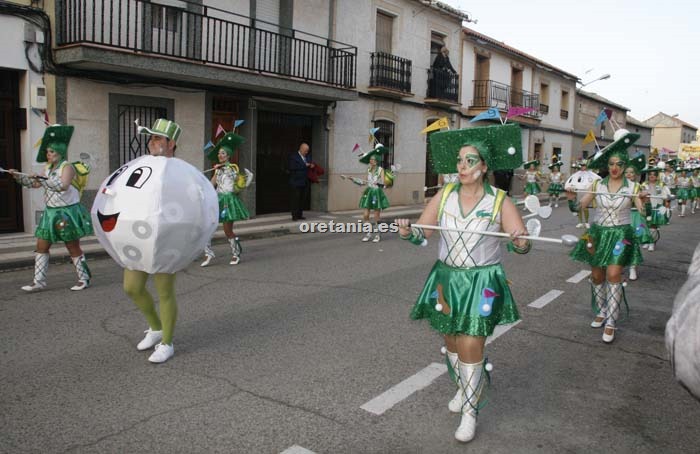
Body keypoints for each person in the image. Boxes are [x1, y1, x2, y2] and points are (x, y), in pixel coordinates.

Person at [396, 123, 528, 443]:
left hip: (483, 280)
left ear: (484, 167)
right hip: (448, 278)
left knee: (471, 341)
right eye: (459, 161)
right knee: (452, 340)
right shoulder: (444, 196)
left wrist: (520, 241)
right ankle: (462, 387)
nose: (462, 167)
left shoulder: (499, 201)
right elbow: (422, 233)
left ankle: (471, 409)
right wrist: (406, 231)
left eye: (470, 161)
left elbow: (521, 243)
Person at [567, 129, 648, 344]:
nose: (614, 168)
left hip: (622, 234)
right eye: (611, 164)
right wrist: (570, 199)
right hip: (598, 234)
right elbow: (581, 205)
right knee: (596, 276)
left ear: (625, 166)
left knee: (613, 274)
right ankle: (602, 310)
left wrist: (644, 202)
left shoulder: (634, 187)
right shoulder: (597, 185)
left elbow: (641, 212)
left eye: (619, 164)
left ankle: (612, 320)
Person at [123, 119, 183, 364]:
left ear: (172, 144)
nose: (153, 142)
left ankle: (167, 342)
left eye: (158, 138)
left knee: (164, 291)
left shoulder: (179, 170)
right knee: (132, 287)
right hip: (138, 235)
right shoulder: (142, 165)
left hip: (166, 237)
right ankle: (155, 327)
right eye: (151, 138)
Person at [9, 125, 93, 292]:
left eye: (52, 152)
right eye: (47, 152)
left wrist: (42, 178)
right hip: (50, 213)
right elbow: (34, 184)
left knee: (72, 247)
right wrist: (18, 176)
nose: (49, 155)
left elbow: (63, 185)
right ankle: (38, 281)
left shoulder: (67, 167)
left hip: (66, 213)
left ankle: (84, 278)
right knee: (41, 246)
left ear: (60, 152)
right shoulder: (47, 168)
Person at [200, 132, 252, 267]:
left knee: (227, 231)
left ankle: (236, 253)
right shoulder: (217, 170)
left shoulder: (232, 168)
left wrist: (224, 167)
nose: (220, 155)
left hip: (228, 202)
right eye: (219, 153)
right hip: (217, 200)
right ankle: (208, 253)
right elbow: (212, 184)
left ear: (228, 156)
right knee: (207, 227)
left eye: (223, 153)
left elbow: (237, 181)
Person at [624, 155, 653, 281]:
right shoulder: (619, 186)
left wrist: (645, 199)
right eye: (626, 172)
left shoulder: (639, 187)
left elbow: (645, 208)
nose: (629, 174)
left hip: (635, 217)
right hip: (621, 216)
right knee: (619, 242)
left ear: (636, 174)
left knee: (634, 243)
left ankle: (632, 268)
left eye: (631, 172)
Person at [356, 144, 390, 242]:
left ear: (377, 161)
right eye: (370, 160)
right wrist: (356, 180)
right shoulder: (368, 170)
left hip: (376, 193)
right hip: (369, 192)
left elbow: (385, 183)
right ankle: (368, 233)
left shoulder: (381, 170)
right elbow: (365, 181)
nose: (371, 161)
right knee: (365, 215)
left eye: (373, 160)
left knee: (376, 216)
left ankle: (377, 234)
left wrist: (379, 183)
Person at [640, 158, 671, 252]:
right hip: (646, 207)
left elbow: (667, 195)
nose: (652, 176)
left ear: (657, 176)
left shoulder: (661, 184)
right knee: (645, 225)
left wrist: (666, 205)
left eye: (654, 175)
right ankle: (647, 240)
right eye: (650, 175)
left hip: (657, 208)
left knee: (653, 226)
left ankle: (652, 243)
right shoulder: (644, 184)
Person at [288, 142, 313, 221]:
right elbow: (292, 167)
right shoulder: (294, 157)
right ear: (301, 149)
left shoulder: (307, 157)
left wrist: (311, 165)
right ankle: (294, 215)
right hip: (295, 181)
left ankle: (300, 214)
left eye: (307, 151)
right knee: (295, 199)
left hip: (304, 181)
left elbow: (309, 164)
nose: (306, 152)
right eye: (305, 151)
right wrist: (305, 165)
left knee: (302, 199)